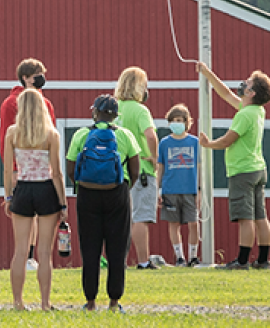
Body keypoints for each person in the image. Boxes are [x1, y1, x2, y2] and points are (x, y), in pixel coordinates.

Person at [66, 94, 143, 312]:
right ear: (115, 116)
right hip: (116, 194)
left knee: (90, 248)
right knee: (117, 249)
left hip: (87, 195)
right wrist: (122, 189)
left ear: (94, 112)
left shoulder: (81, 134)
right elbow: (135, 171)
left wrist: (85, 185)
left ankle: (90, 301)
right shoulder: (125, 136)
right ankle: (114, 301)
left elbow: (71, 170)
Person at [197, 63, 270, 270]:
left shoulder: (244, 115)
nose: (243, 84)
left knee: (245, 217)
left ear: (251, 92)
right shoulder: (257, 110)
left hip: (243, 171)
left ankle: (242, 261)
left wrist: (208, 144)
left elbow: (227, 141)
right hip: (258, 169)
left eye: (247, 82)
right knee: (260, 216)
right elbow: (225, 94)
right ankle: (263, 260)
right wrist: (208, 73)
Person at [3, 88, 66, 310]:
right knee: (44, 252)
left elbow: (8, 170)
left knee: (20, 251)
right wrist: (63, 202)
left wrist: (8, 196)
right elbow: (57, 173)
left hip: (22, 189)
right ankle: (45, 303)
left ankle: (18, 302)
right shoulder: (51, 134)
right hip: (46, 190)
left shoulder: (12, 133)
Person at [0, 58, 55, 271]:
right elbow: (5, 136)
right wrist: (13, 167)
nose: (41, 79)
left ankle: (33, 256)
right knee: (24, 214)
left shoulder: (46, 102)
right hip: (23, 167)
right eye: (37, 75)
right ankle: (27, 255)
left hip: (42, 168)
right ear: (25, 78)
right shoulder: (11, 103)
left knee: (40, 214)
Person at [114, 67, 161, 269]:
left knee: (121, 219)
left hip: (118, 171)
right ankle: (143, 261)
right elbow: (150, 135)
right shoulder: (141, 110)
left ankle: (119, 261)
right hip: (141, 170)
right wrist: (154, 157)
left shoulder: (114, 108)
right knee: (141, 218)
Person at [158, 103, 202, 267]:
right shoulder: (164, 143)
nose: (177, 123)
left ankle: (193, 256)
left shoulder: (195, 142)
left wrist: (200, 189)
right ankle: (180, 257)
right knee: (174, 224)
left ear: (187, 122)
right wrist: (157, 189)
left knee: (193, 223)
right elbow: (160, 167)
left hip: (190, 189)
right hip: (171, 189)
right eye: (173, 120)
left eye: (180, 120)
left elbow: (199, 167)